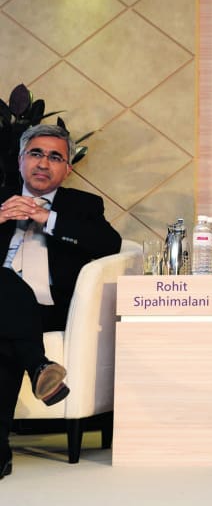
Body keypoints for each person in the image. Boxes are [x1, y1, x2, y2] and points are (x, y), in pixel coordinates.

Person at [0, 124, 122, 480]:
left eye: (55, 157)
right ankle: (40, 368)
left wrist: (47, 218)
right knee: (5, 282)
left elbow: (108, 244)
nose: (44, 163)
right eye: (36, 153)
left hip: (51, 307)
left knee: (4, 339)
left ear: (67, 169)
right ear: (21, 160)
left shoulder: (83, 205)